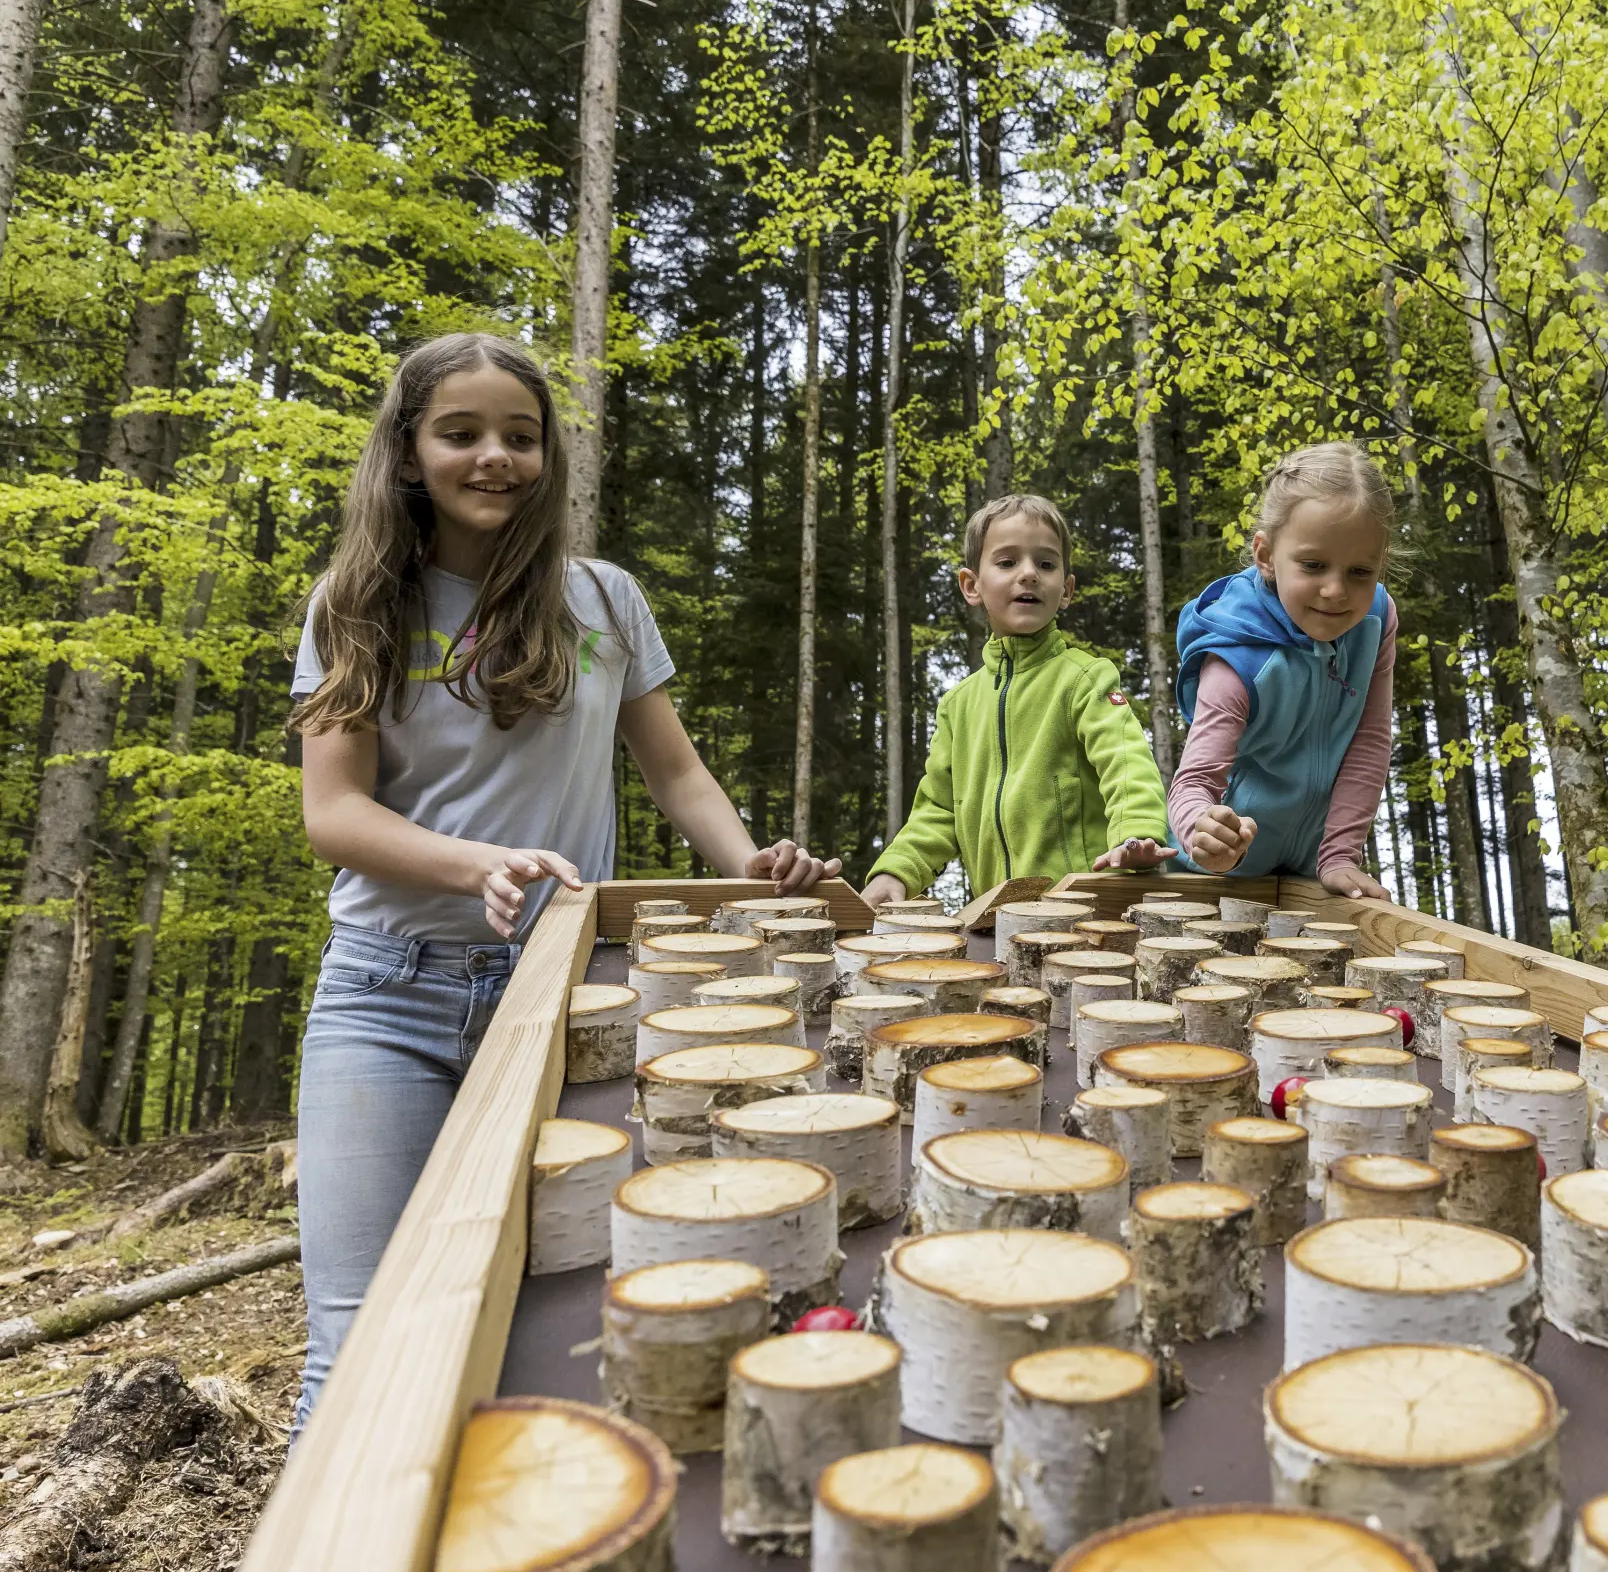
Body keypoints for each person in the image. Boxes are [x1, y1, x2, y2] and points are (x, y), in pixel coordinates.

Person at [290, 333, 837, 1430]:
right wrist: (475, 862)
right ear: (408, 453)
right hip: (384, 1000)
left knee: (558, 1324)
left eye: (521, 436)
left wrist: (753, 870)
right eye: (462, 433)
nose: (495, 457)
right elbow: (334, 813)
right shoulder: (351, 605)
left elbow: (675, 773)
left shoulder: (602, 598)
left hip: (571, 1002)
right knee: (356, 1343)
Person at [861, 494, 1172, 906]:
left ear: (1066, 589)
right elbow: (937, 810)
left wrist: (1137, 831)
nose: (1029, 574)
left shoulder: (1086, 678)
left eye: (1046, 564)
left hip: (1085, 914)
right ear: (972, 585)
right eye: (1007, 562)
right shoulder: (958, 705)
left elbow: (1127, 761)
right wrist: (896, 871)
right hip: (994, 918)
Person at [1168, 442, 1397, 897]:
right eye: (1313, 565)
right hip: (1216, 881)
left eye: (1359, 571)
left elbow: (1369, 740)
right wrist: (1202, 832)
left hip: (1310, 876)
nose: (1336, 590)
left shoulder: (1376, 620)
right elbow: (1193, 782)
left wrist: (1339, 856)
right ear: (1266, 556)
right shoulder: (1238, 659)